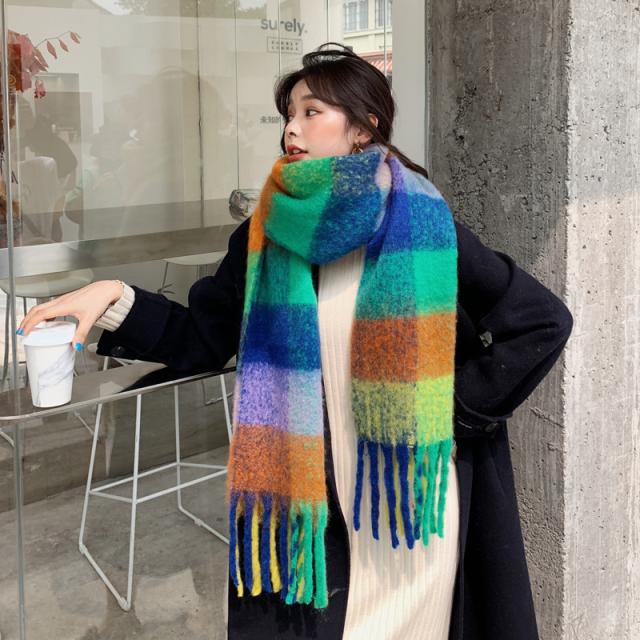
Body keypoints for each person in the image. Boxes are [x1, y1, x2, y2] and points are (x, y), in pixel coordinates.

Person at [17, 43, 574, 640]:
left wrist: (453, 412)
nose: (291, 128)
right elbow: (201, 338)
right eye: (289, 114)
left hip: (406, 506)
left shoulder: (421, 223)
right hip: (311, 515)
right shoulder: (265, 235)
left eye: (312, 112)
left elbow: (540, 321)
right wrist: (113, 297)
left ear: (363, 128)